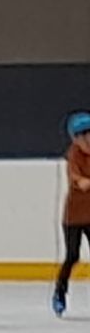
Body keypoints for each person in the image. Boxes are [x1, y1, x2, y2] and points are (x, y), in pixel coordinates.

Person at [55, 111, 90, 316]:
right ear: (75, 139)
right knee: (72, 256)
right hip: (74, 218)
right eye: (84, 136)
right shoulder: (73, 155)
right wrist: (81, 181)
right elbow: (74, 175)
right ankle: (60, 292)